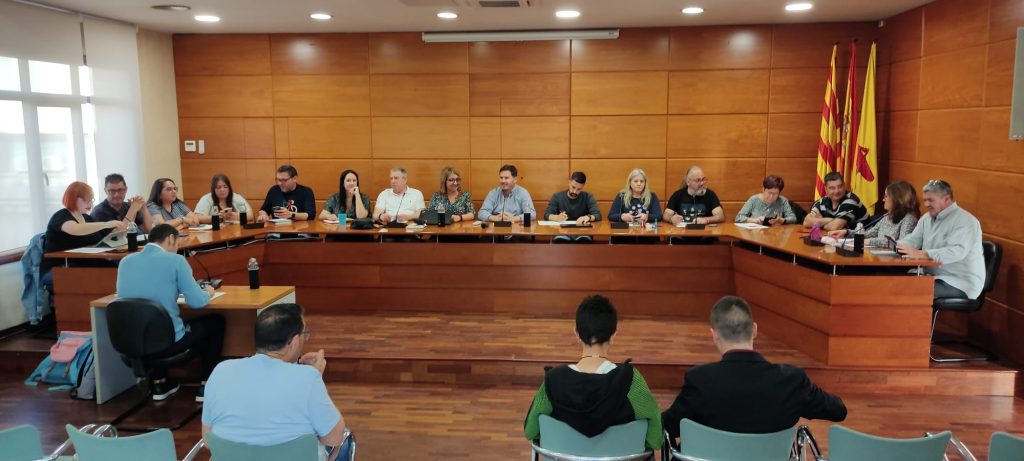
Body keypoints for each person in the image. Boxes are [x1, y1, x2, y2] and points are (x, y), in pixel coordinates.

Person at [662, 295, 846, 438]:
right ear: (755, 330)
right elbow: (838, 410)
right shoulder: (792, 380)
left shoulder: (700, 380)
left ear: (714, 334)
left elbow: (667, 427)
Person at [202, 303, 350, 461]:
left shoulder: (221, 371)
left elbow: (208, 439)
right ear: (294, 342)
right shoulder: (308, 378)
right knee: (346, 441)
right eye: (304, 334)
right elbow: (334, 438)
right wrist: (315, 377)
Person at [524, 295, 662, 450]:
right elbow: (656, 439)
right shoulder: (631, 381)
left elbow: (531, 431)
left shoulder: (553, 381)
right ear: (614, 335)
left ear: (576, 333)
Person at [116, 223, 224, 401]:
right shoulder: (176, 261)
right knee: (215, 323)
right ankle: (206, 386)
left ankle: (160, 383)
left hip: (132, 344)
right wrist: (208, 292)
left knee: (152, 324)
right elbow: (196, 302)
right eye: (177, 244)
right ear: (171, 238)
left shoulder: (126, 261)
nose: (177, 249)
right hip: (167, 344)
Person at [896, 179, 984, 300]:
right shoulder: (927, 218)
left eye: (931, 200)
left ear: (946, 199)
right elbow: (913, 239)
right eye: (925, 200)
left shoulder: (966, 221)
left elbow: (956, 252)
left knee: (909, 291)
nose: (926, 204)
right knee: (891, 283)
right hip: (931, 276)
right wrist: (897, 246)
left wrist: (923, 254)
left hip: (959, 282)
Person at [42, 181, 127, 283]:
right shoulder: (61, 216)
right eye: (86, 200)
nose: (90, 204)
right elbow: (75, 229)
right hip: (61, 266)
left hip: (87, 263)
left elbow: (104, 237)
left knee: (120, 270)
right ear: (73, 198)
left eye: (91, 200)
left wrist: (118, 230)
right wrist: (106, 224)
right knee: (106, 276)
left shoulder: (87, 218)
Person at [828, 180, 919, 247]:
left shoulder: (909, 219)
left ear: (897, 199)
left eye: (886, 196)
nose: (883, 200)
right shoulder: (887, 216)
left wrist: (870, 242)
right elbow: (868, 234)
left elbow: (901, 244)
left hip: (893, 263)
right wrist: (846, 232)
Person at [544, 171, 601, 243]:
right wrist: (556, 217)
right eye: (573, 187)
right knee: (560, 242)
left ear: (583, 187)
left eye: (579, 189)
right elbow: (546, 215)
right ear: (569, 182)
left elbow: (598, 215)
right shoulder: (557, 196)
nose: (575, 191)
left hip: (582, 232)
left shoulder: (588, 197)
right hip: (562, 232)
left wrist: (588, 217)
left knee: (584, 242)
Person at [803, 172, 868, 231]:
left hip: (863, 237)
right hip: (840, 237)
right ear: (826, 189)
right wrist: (831, 220)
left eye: (840, 186)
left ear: (844, 186)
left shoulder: (851, 201)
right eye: (832, 188)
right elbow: (806, 222)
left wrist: (818, 222)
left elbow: (834, 227)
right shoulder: (822, 202)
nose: (837, 191)